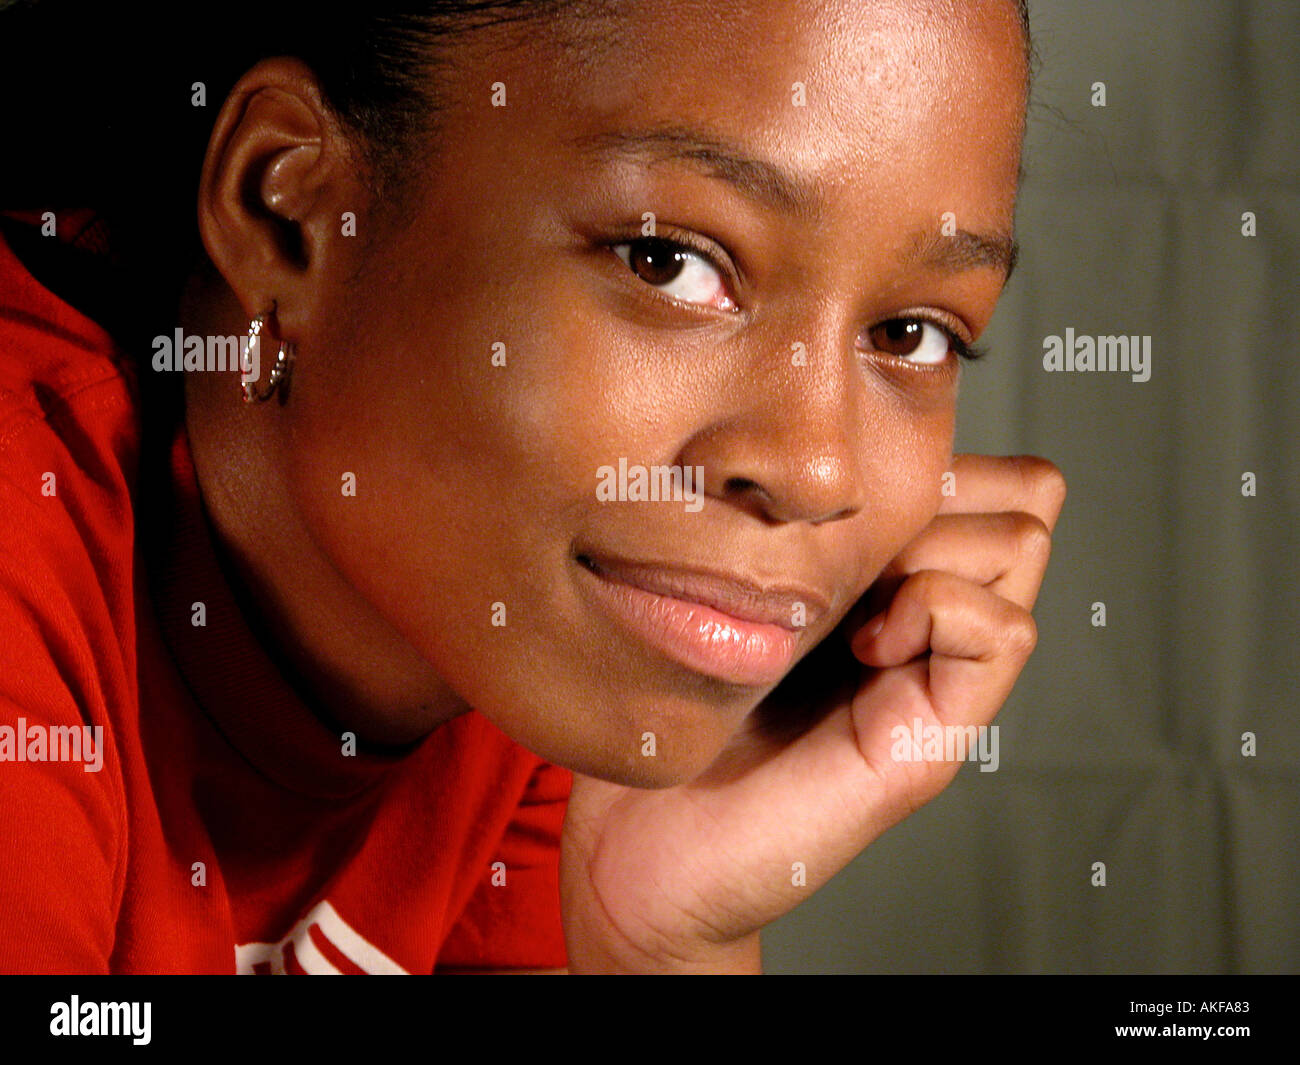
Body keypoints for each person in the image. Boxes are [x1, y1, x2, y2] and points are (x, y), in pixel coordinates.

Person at [0, 0, 1065, 973]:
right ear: (290, 210)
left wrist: (659, 940)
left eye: (908, 334)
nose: (816, 471)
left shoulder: (505, 659)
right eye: (668, 262)